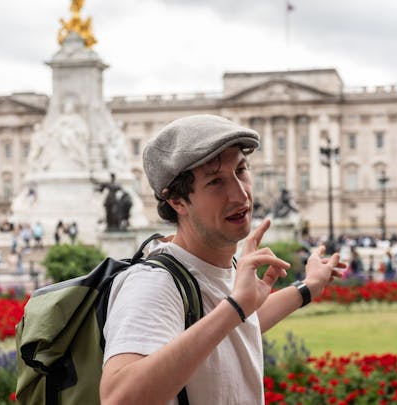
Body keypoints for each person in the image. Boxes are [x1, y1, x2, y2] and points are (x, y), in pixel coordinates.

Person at [99, 114, 344, 404]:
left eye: (241, 171)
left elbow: (238, 328)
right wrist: (236, 307)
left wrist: (308, 287)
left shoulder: (214, 267)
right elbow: (118, 398)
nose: (241, 195)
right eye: (216, 181)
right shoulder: (155, 283)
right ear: (177, 201)